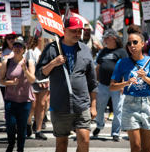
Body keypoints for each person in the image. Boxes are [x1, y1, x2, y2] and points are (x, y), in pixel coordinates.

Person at [35, 16, 98, 152]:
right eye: (74, 31)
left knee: (84, 141)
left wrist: (93, 105)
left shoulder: (85, 49)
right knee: (62, 144)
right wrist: (53, 63)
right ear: (64, 30)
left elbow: (92, 81)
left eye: (79, 31)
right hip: (60, 106)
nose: (77, 34)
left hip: (81, 105)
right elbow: (39, 74)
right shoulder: (51, 49)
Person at [110, 32, 150, 152]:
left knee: (147, 148)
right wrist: (126, 83)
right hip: (130, 105)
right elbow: (112, 87)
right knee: (136, 147)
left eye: (135, 42)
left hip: (147, 104)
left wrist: (145, 78)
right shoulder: (122, 63)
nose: (131, 45)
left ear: (142, 44)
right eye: (129, 43)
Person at [0, 38, 36, 152]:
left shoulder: (29, 62)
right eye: (15, 46)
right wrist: (11, 82)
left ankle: (21, 148)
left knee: (22, 127)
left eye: (20, 47)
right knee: (10, 125)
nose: (17, 48)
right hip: (10, 99)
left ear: (24, 50)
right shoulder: (7, 62)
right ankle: (11, 143)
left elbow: (32, 80)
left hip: (25, 100)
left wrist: (25, 70)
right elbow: (1, 80)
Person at [92, 29, 128, 142]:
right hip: (102, 84)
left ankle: (115, 132)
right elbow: (97, 67)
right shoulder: (103, 51)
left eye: (107, 38)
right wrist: (95, 81)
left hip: (117, 86)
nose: (105, 40)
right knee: (100, 108)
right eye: (105, 38)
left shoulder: (122, 52)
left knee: (118, 109)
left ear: (114, 39)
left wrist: (123, 85)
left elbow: (125, 69)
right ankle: (99, 125)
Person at [26, 35, 49, 140]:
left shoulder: (48, 50)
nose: (45, 39)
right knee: (33, 106)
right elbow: (31, 67)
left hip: (45, 81)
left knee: (42, 105)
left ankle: (38, 130)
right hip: (34, 81)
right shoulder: (32, 51)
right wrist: (36, 80)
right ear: (38, 39)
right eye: (42, 37)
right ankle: (29, 122)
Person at [0, 32, 17, 99]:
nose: (11, 40)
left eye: (13, 37)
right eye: (9, 38)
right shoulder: (2, 51)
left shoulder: (21, 49)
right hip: (6, 81)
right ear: (6, 40)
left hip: (18, 80)